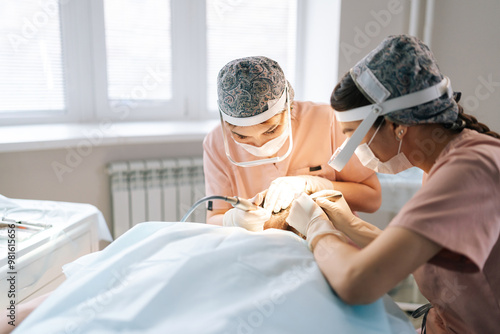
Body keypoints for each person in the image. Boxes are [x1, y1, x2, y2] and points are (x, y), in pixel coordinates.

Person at [286, 35, 500, 333]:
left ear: (396, 125)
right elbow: (406, 252)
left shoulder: (469, 171)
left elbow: (356, 283)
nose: (347, 148)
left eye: (351, 135)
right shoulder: (442, 163)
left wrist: (315, 229)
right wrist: (341, 218)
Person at [203, 56, 381, 229]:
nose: (260, 144)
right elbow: (213, 218)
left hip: (332, 241)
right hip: (259, 249)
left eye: (271, 130)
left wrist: (313, 185)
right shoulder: (216, 142)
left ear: (289, 107)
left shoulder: (327, 121)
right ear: (226, 124)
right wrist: (233, 220)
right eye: (241, 136)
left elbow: (372, 200)